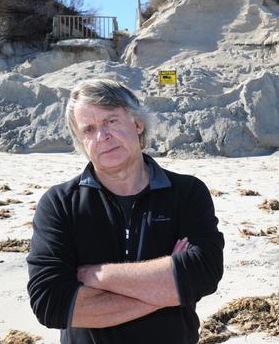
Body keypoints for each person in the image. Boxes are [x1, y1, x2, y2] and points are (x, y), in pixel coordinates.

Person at [26, 79, 224, 343]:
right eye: (89, 129)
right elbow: (50, 304)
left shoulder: (187, 192)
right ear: (81, 142)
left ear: (137, 123)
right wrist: (167, 290)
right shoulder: (59, 203)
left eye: (111, 121)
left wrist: (93, 276)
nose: (102, 136)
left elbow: (203, 274)